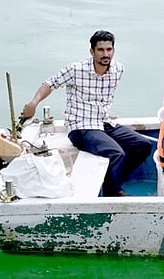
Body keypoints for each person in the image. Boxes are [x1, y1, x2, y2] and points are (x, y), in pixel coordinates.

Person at [19, 30, 151, 197]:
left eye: (109, 50)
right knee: (116, 153)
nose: (105, 54)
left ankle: (114, 179)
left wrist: (103, 112)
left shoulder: (118, 69)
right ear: (92, 51)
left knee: (143, 145)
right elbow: (49, 84)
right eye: (100, 50)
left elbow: (101, 96)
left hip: (103, 122)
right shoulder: (75, 70)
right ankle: (112, 195)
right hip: (81, 127)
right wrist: (33, 103)